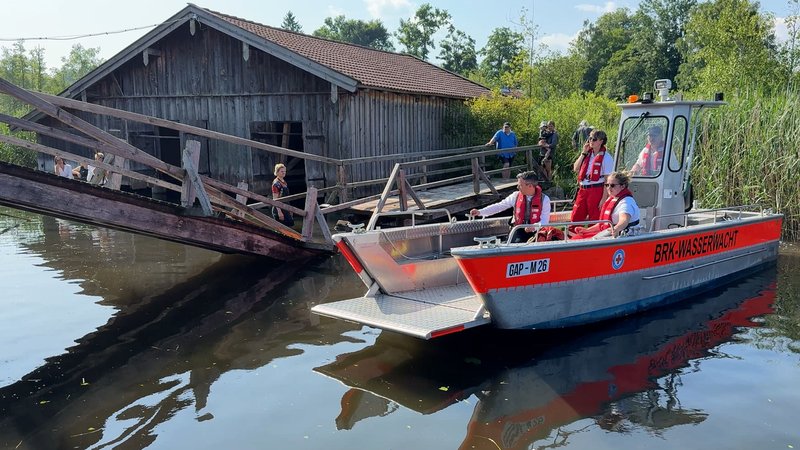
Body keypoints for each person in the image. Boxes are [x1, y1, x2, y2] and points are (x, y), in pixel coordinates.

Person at [470, 171, 551, 243]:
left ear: (530, 186)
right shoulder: (515, 196)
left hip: (536, 231)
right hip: (518, 229)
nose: (517, 187)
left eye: (520, 185)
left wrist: (533, 227)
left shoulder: (545, 199)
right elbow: (499, 206)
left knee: (538, 243)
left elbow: (545, 220)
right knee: (514, 243)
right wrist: (480, 212)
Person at [571, 171, 640, 239]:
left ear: (622, 186)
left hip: (623, 234)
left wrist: (616, 229)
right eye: (607, 185)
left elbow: (624, 220)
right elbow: (603, 224)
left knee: (582, 240)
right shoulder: (612, 199)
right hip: (609, 232)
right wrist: (587, 230)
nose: (609, 188)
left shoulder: (626, 202)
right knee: (578, 237)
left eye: (612, 185)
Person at [570, 129, 615, 224]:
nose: (591, 141)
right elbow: (576, 168)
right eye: (590, 138)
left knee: (594, 218)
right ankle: (573, 236)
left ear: (601, 141)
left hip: (596, 189)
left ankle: (592, 236)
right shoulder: (587, 155)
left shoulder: (607, 158)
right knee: (575, 216)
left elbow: (607, 180)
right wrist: (583, 153)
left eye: (594, 139)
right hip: (582, 189)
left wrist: (603, 199)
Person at [271, 163, 294, 227]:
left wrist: (290, 209)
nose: (284, 173)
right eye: (282, 171)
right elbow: (275, 199)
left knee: (290, 224)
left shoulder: (284, 181)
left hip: (285, 207)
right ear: (277, 172)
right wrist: (279, 212)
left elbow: (286, 198)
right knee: (282, 228)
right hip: (279, 208)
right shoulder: (276, 184)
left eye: (285, 171)